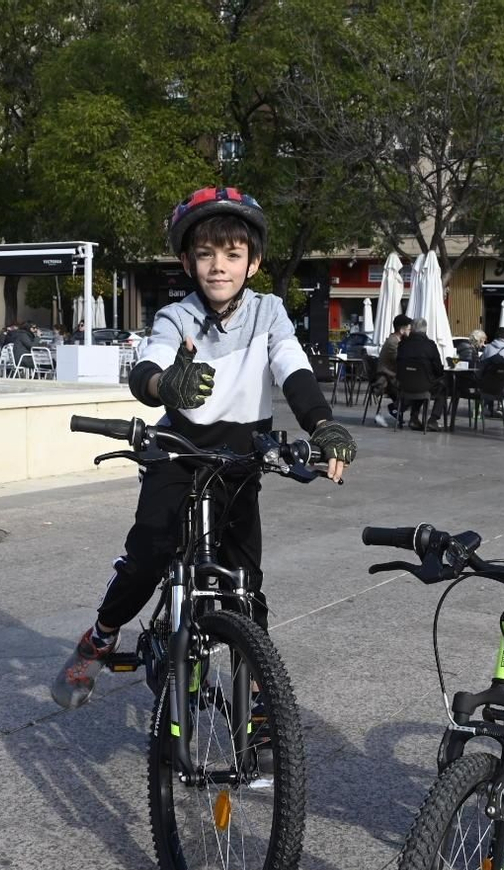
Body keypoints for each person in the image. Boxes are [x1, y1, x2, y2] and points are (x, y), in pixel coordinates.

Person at [49, 186, 357, 709]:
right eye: (207, 254)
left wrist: (322, 424)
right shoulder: (177, 316)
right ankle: (101, 635)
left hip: (242, 459)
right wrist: (164, 386)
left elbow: (293, 369)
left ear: (253, 263)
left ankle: (255, 692)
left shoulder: (270, 312)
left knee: (247, 583)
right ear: (187, 261)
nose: (219, 266)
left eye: (233, 255)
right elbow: (147, 367)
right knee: (147, 554)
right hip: (176, 450)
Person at [396, 317, 448, 430]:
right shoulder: (430, 345)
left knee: (420, 381)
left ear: (412, 329)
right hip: (424, 385)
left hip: (405, 385)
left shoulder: (402, 345)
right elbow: (438, 369)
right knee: (442, 388)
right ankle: (433, 420)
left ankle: (414, 418)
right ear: (425, 330)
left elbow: (398, 365)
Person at [373, 313, 412, 427]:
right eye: (409, 329)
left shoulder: (395, 340)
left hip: (391, 376)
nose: (410, 332)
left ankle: (397, 409)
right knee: (415, 390)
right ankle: (395, 408)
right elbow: (400, 361)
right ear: (402, 330)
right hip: (387, 378)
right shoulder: (393, 343)